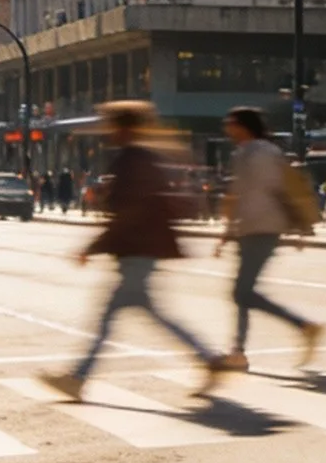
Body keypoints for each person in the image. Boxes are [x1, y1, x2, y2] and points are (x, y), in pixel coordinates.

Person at [40, 102, 223, 401]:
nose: (107, 132)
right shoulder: (137, 158)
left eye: (111, 125)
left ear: (124, 128)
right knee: (137, 316)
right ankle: (208, 360)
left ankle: (78, 377)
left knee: (112, 319)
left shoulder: (133, 160)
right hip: (139, 249)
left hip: (137, 249)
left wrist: (93, 246)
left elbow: (129, 212)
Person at [215, 107, 324, 370]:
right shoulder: (265, 152)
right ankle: (238, 351)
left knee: (242, 292)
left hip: (261, 228)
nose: (227, 129)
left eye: (231, 124)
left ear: (244, 126)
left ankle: (303, 325)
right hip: (255, 228)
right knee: (243, 292)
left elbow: (244, 193)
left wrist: (228, 231)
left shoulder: (250, 153)